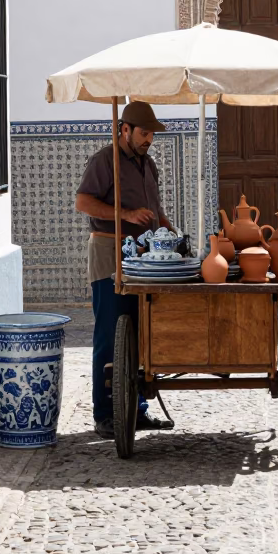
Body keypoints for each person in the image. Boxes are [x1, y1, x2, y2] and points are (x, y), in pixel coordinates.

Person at [76, 101, 177, 439]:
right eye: (144, 133)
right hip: (109, 253)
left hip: (144, 257)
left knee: (140, 332)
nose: (149, 139)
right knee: (110, 333)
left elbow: (154, 210)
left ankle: (137, 410)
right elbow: (83, 202)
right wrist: (126, 214)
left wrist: (171, 231)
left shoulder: (148, 165)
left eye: (152, 134)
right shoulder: (104, 161)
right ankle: (105, 413)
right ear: (125, 129)